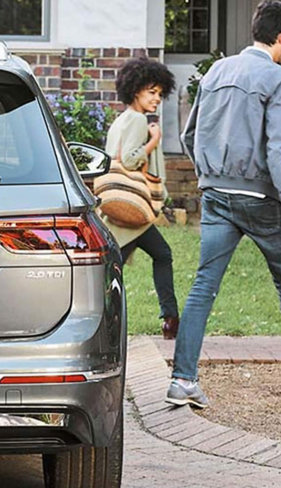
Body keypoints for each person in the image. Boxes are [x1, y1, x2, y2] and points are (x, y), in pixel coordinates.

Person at [166, 0, 281, 408]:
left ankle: (182, 380)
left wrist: (210, 173)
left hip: (216, 196)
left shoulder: (216, 71)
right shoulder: (277, 78)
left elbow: (189, 136)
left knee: (204, 285)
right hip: (260, 199)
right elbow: (279, 148)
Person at [104, 58, 179, 339]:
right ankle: (168, 319)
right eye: (151, 92)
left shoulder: (121, 120)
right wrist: (153, 141)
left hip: (120, 205)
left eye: (160, 94)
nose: (156, 99)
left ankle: (168, 317)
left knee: (125, 263)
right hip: (132, 207)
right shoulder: (136, 120)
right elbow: (129, 159)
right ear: (136, 91)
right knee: (122, 265)